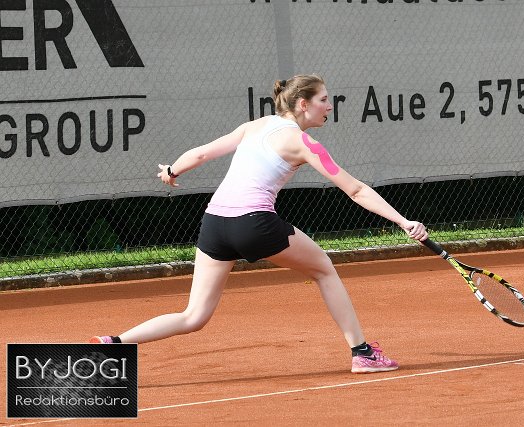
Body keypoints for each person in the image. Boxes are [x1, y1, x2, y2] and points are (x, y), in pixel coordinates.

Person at [90, 74, 428, 374]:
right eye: (324, 99)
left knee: (194, 316)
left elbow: (202, 154)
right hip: (254, 224)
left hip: (215, 224)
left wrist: (171, 171)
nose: (329, 106)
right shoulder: (303, 143)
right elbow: (355, 189)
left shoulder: (254, 126)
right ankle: (362, 353)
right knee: (324, 269)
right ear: (303, 104)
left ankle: (114, 343)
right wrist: (402, 220)